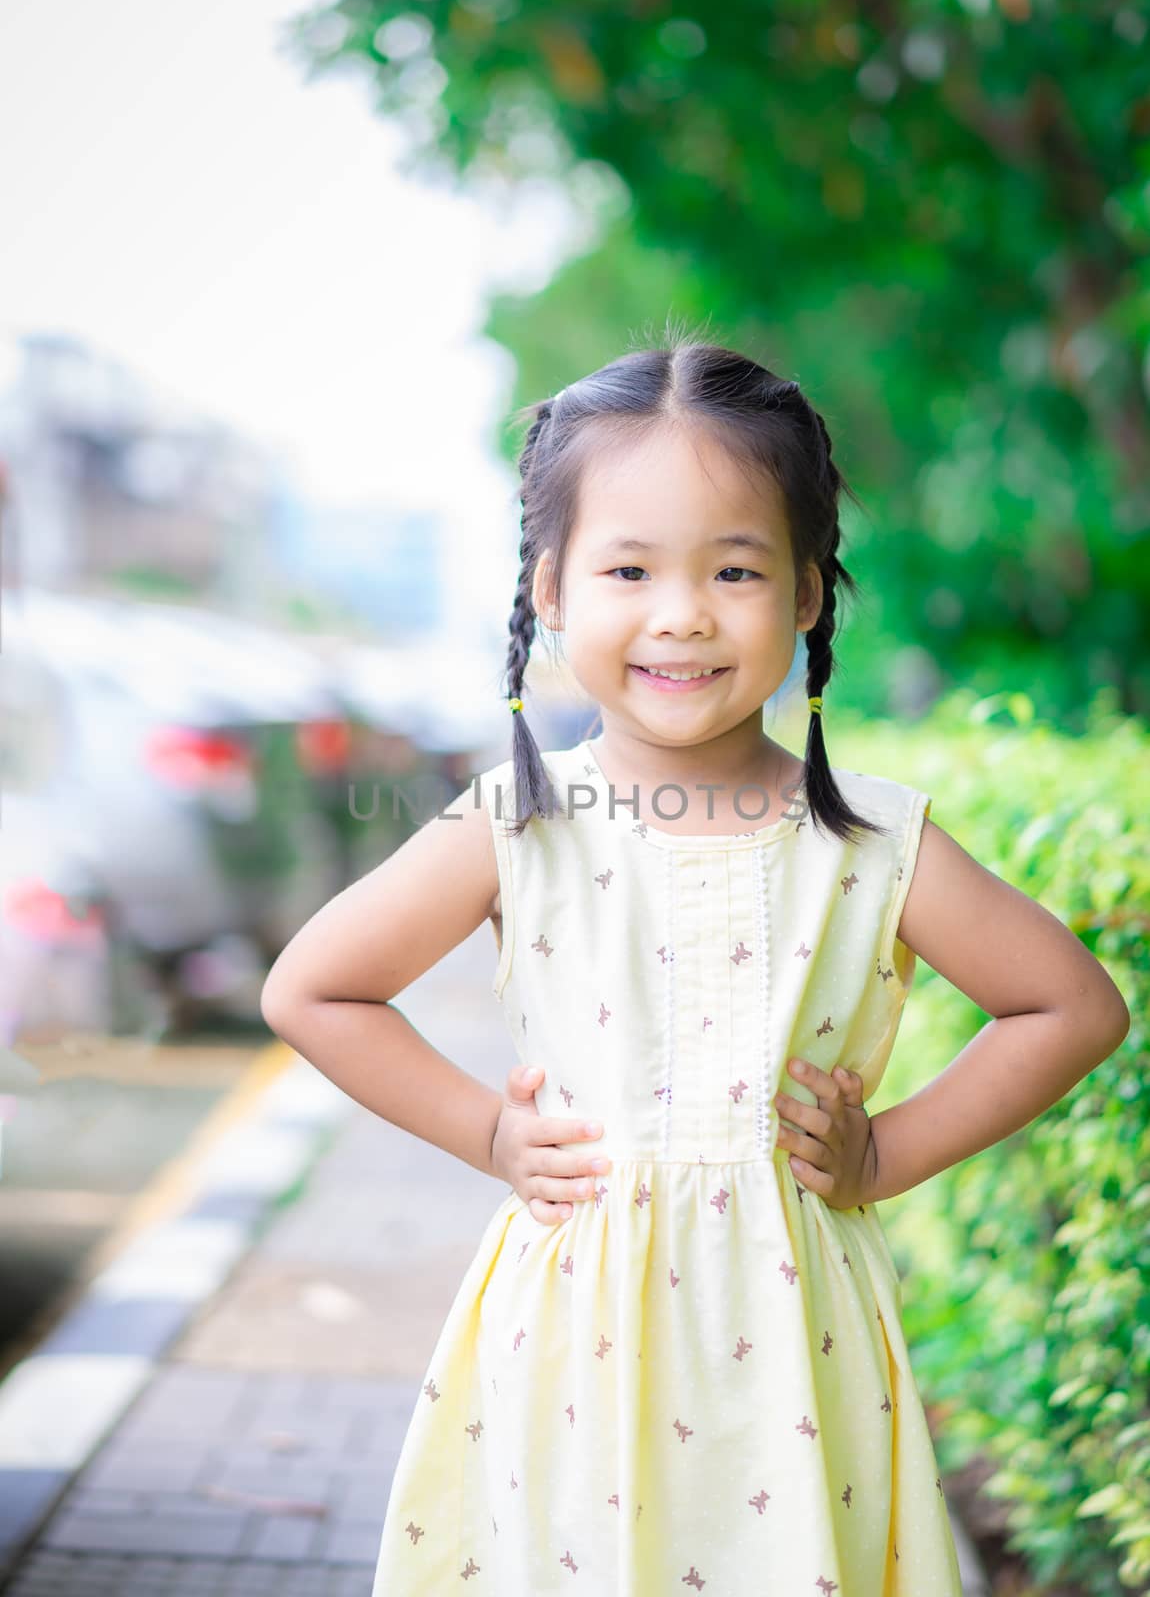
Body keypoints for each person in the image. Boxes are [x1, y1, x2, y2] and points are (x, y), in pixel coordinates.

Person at [260, 338, 1130, 1595]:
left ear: (811, 593)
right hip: (580, 1339)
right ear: (550, 590)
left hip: (793, 1344)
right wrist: (488, 1137)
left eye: (735, 567)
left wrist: (888, 1152)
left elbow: (1069, 1005)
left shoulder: (873, 840)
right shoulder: (518, 821)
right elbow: (314, 987)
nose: (680, 612)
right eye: (628, 568)